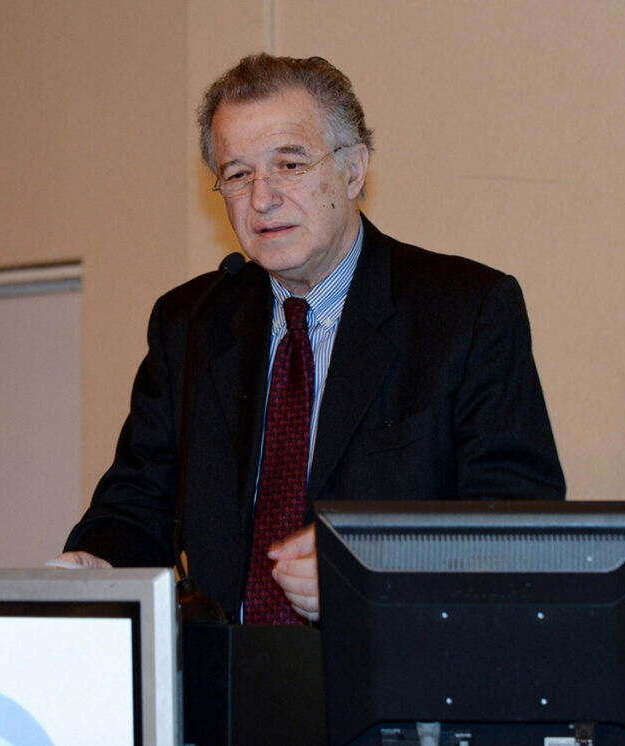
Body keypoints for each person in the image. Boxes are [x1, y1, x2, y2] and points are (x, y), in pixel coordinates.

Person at [58, 53, 565, 623]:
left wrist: (371, 575)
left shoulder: (463, 312)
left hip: (389, 665)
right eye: (238, 174)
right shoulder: (192, 322)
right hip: (225, 673)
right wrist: (99, 562)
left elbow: (518, 525)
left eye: (290, 164)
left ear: (353, 171)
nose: (262, 198)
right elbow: (138, 502)